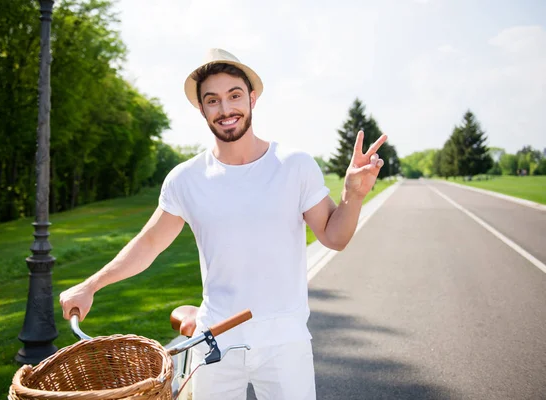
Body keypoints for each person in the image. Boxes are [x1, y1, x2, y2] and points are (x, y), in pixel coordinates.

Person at [60, 48, 387, 400]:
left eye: (234, 95)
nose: (225, 109)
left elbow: (334, 237)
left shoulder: (295, 166)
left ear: (252, 98)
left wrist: (354, 195)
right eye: (212, 100)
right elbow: (149, 243)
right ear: (201, 109)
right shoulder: (185, 179)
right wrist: (90, 285)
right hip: (214, 342)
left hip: (284, 342)